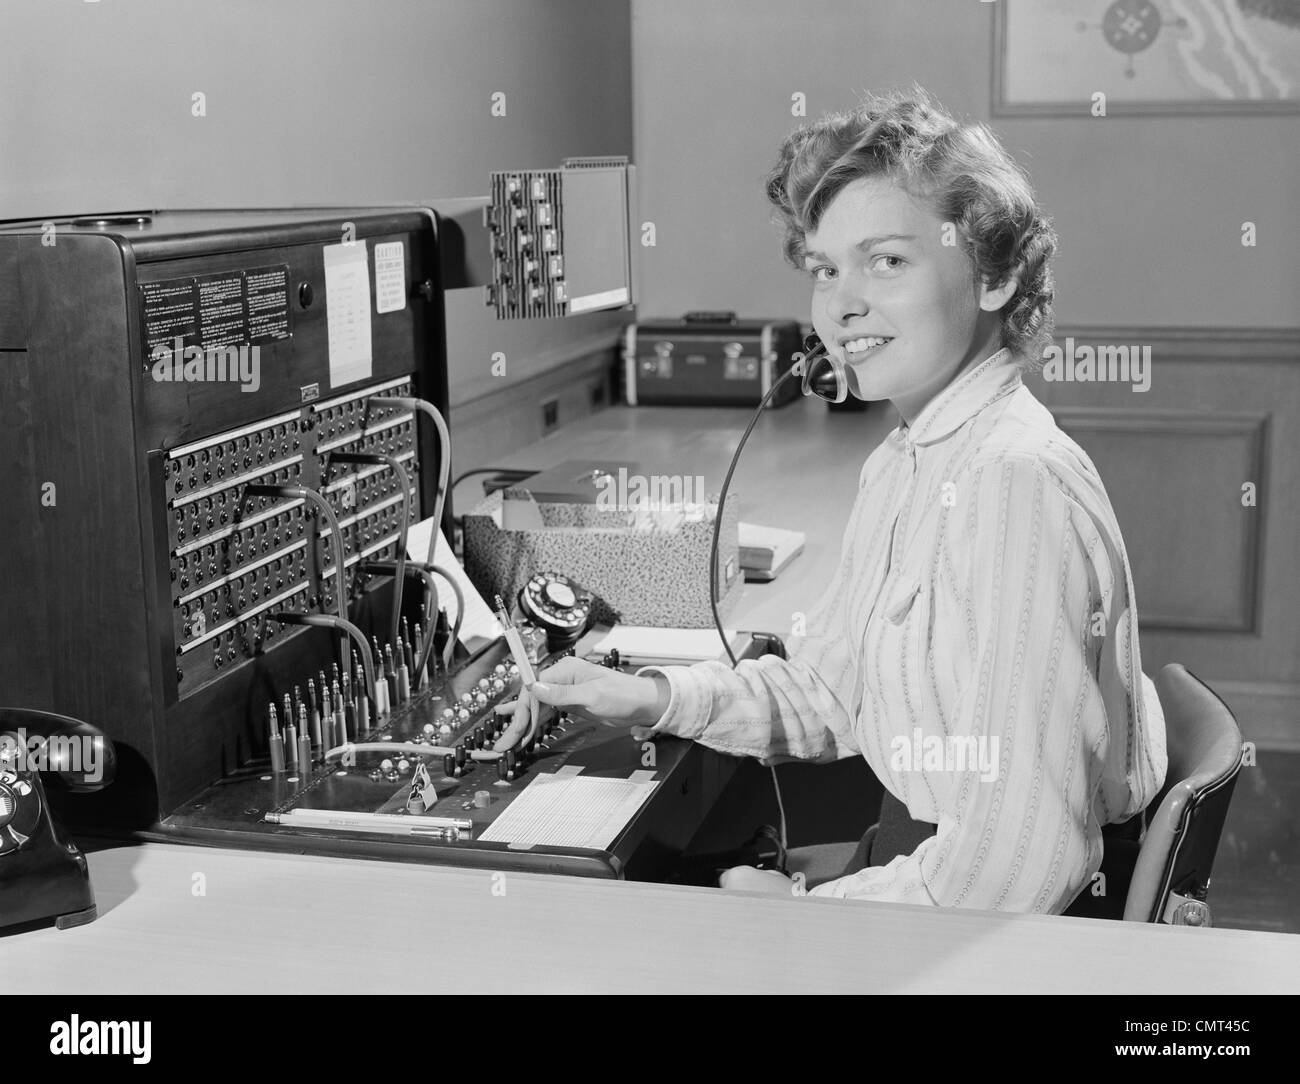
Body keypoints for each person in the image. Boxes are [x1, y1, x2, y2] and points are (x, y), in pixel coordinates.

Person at [493, 87, 1168, 914]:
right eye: (824, 268)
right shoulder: (904, 462)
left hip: (1005, 916)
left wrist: (805, 915)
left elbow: (1021, 864)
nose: (841, 305)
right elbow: (838, 695)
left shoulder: (1011, 485)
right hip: (934, 862)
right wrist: (657, 696)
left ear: (995, 273)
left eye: (887, 260)